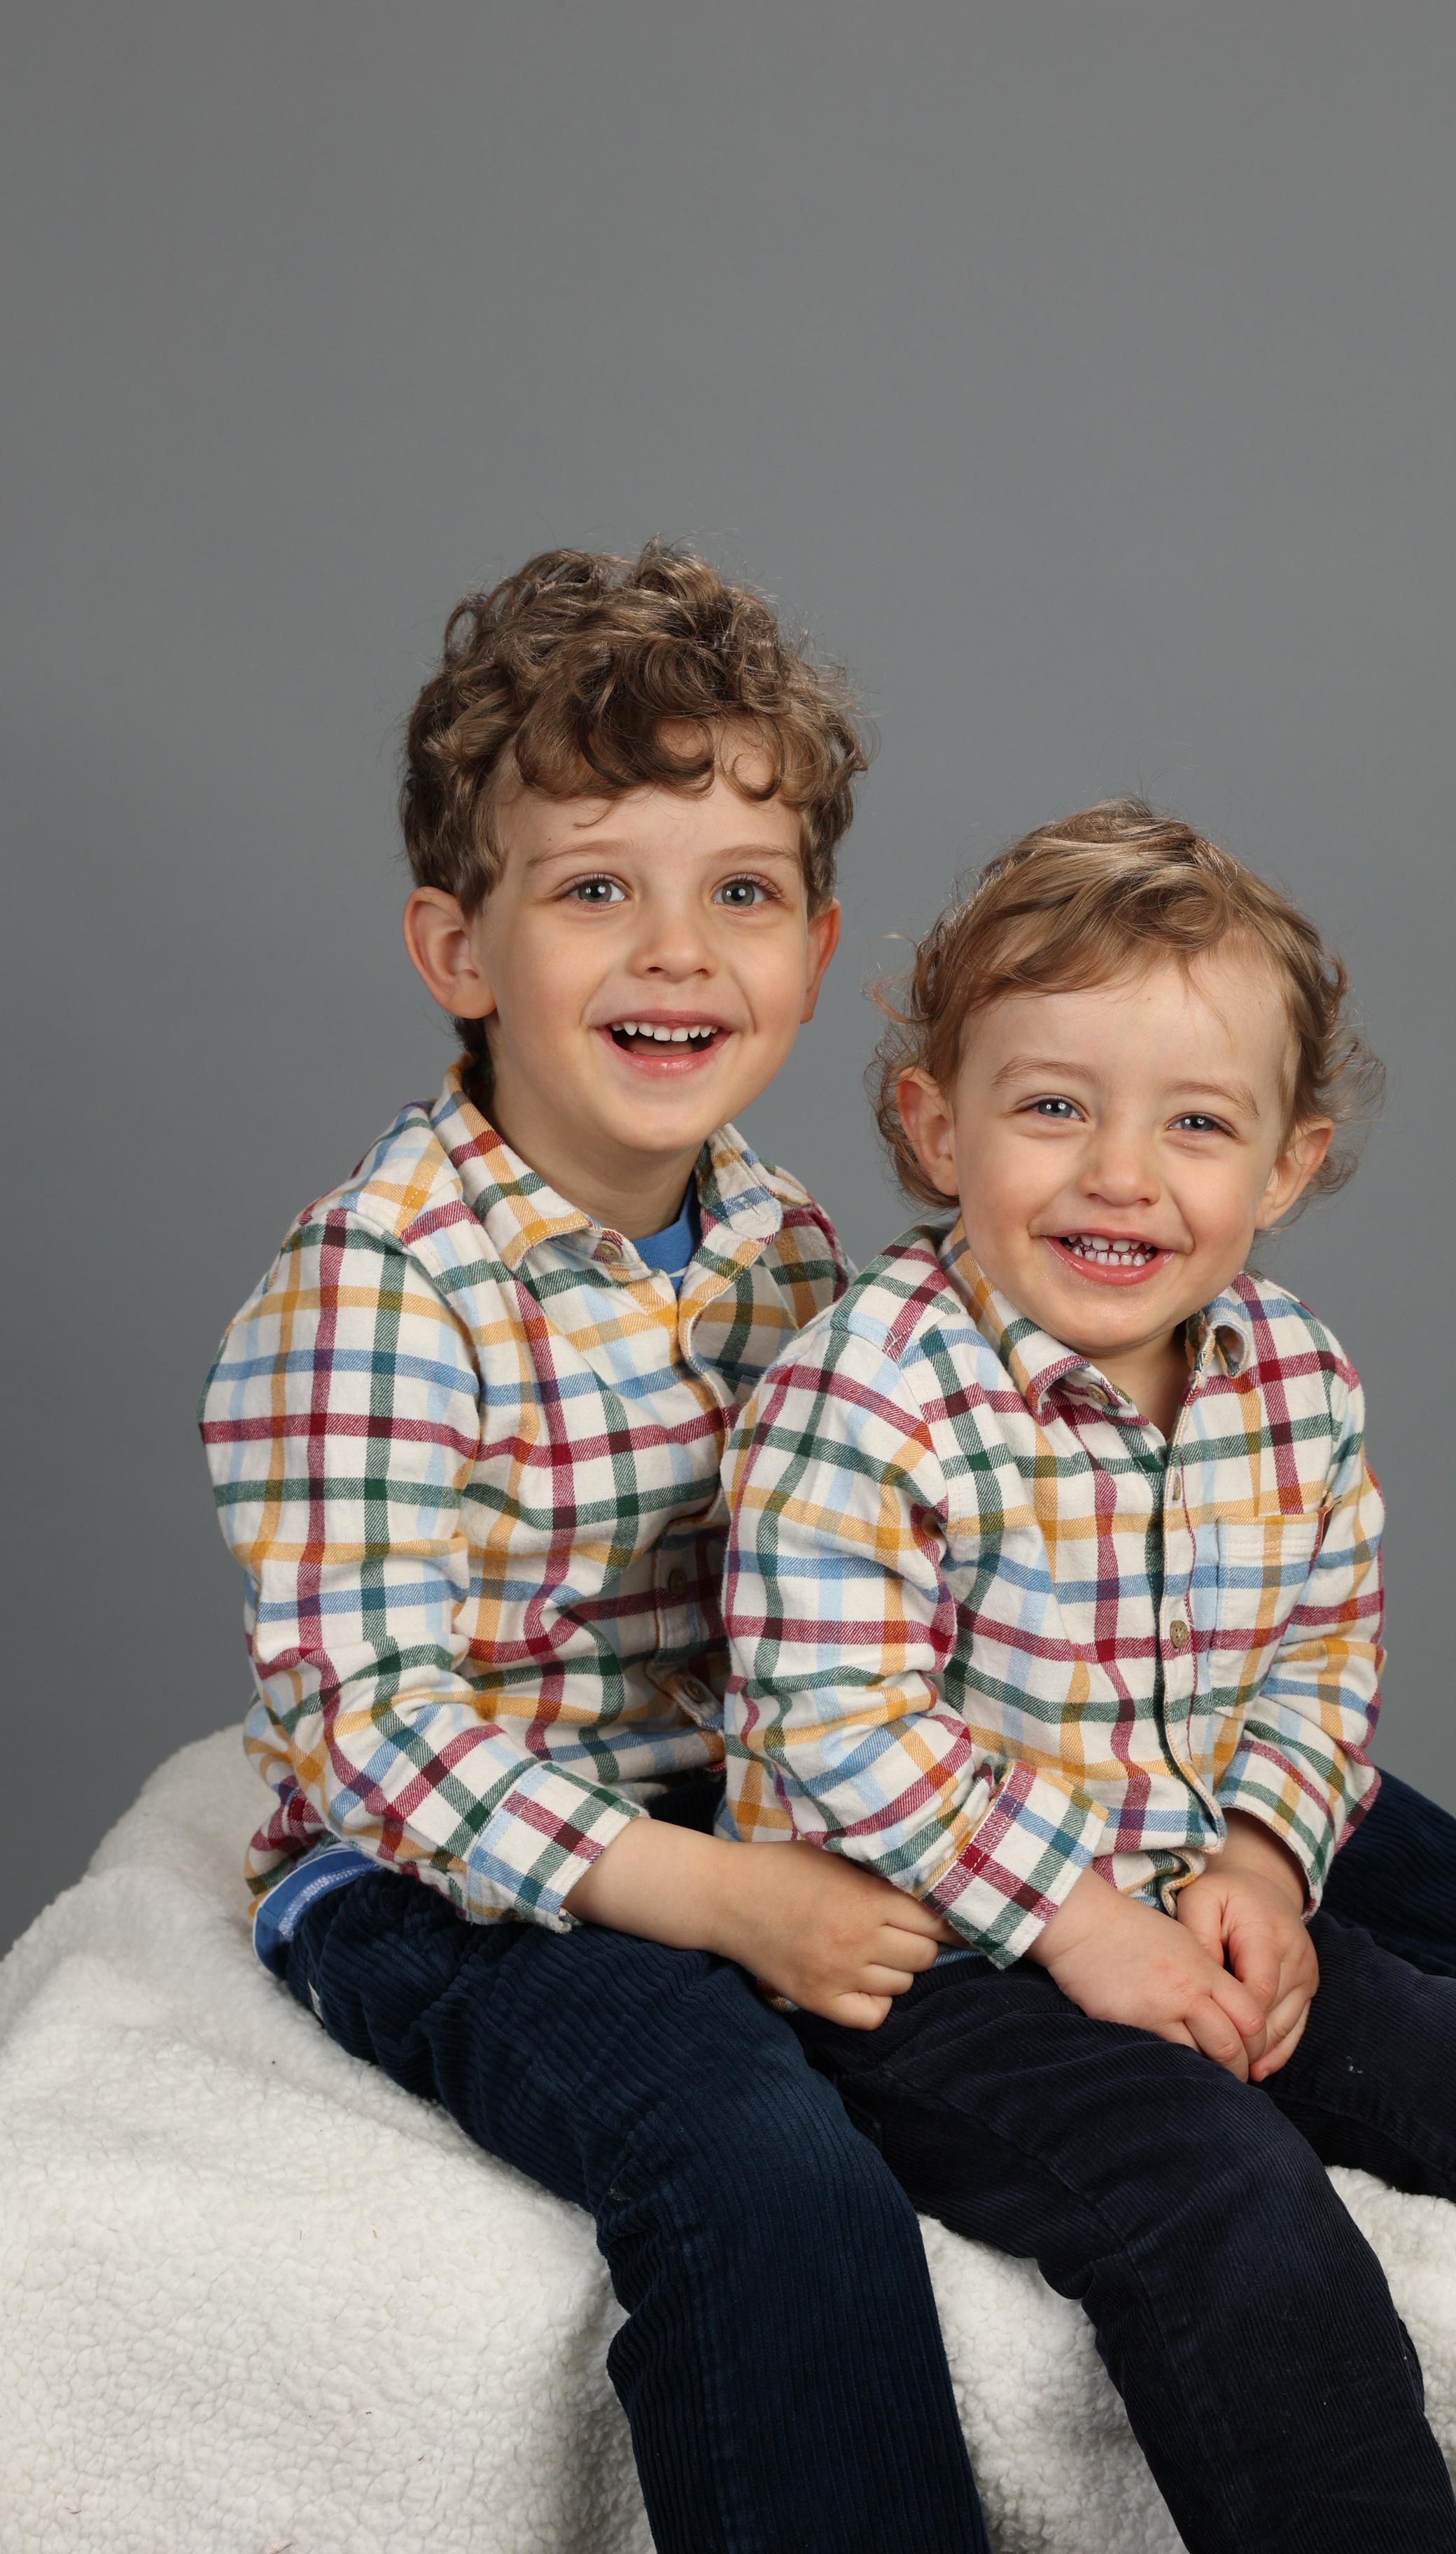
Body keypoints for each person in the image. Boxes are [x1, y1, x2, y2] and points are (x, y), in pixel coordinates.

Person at [720, 800, 1456, 2554]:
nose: (1122, 1172)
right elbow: (840, 1721)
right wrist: (1083, 1920)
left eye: (1195, 1123)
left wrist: (1258, 1856)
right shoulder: (863, 1393)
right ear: (934, 1126)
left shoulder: (1292, 1379)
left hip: (1197, 1900)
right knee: (1229, 2198)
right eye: (1051, 1108)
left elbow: (1318, 1662)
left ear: (1286, 1164)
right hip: (931, 1966)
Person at [200, 545, 991, 2554]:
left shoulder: (783, 1238)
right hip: (440, 1878)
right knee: (759, 2166)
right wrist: (718, 1899)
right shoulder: (386, 1281)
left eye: (739, 894)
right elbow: (374, 1727)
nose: (676, 954)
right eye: (591, 892)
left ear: (815, 945)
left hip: (725, 1792)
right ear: (457, 949)